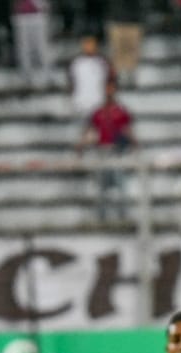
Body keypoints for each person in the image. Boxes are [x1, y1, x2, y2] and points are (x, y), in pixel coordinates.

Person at [82, 83, 135, 223]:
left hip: (116, 152)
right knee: (101, 187)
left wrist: (134, 144)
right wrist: (81, 145)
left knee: (120, 184)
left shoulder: (120, 111)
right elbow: (91, 130)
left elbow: (127, 130)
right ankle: (101, 216)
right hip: (102, 151)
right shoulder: (98, 112)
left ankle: (123, 214)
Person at [67, 36, 112, 127]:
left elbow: (108, 81)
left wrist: (106, 99)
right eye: (87, 44)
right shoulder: (77, 62)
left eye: (91, 44)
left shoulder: (102, 62)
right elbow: (72, 81)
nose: (89, 47)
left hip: (98, 101)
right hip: (80, 101)